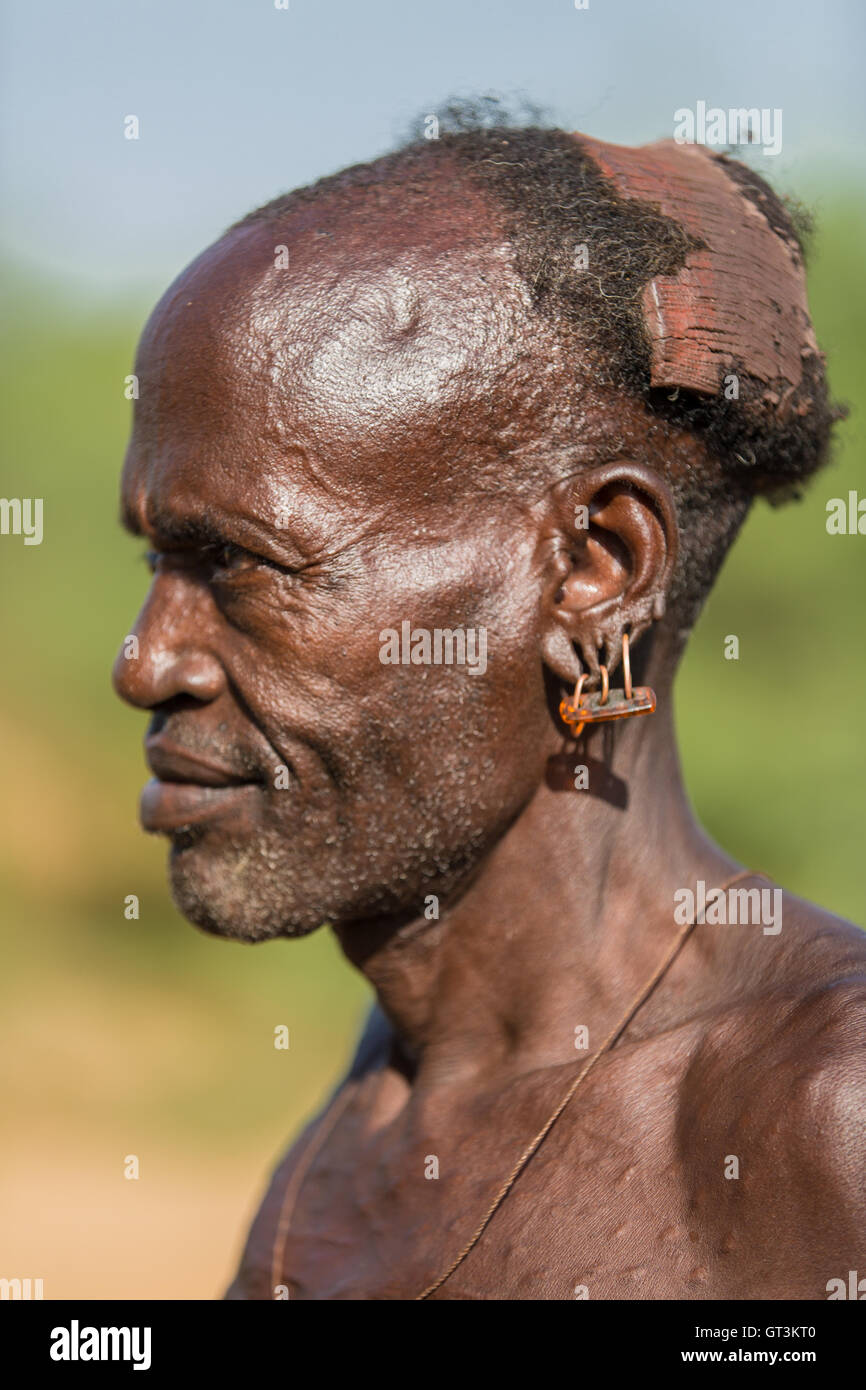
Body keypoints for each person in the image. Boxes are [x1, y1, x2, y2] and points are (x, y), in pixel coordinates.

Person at [112, 115, 865, 1300]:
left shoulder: (823, 1128)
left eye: (237, 563)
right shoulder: (362, 1120)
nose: (147, 663)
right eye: (154, 558)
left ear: (594, 572)